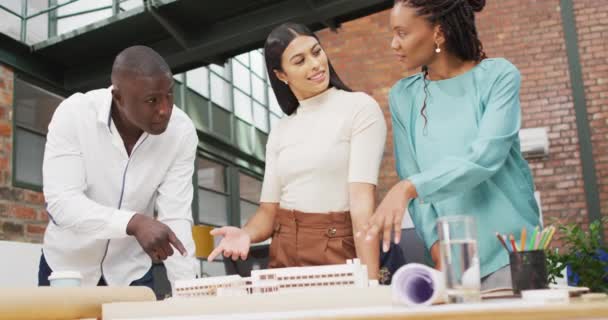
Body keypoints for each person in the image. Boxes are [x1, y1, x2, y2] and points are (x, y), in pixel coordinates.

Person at [361, 0, 541, 289]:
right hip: (454, 258)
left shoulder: (498, 77)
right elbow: (411, 175)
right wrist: (436, 246)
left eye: (402, 33)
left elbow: (485, 157)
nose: (394, 44)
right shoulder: (403, 97)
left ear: (439, 33)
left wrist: (409, 187)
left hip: (513, 250)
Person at [208, 23, 387, 279]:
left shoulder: (359, 108)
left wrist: (370, 280)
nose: (315, 64)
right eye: (300, 61)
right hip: (283, 253)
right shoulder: (281, 130)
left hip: (336, 249)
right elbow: (269, 212)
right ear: (281, 75)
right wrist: (246, 233)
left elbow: (362, 205)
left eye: (316, 52)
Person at [39, 45, 198, 290]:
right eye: (152, 100)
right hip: (68, 270)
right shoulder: (75, 114)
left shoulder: (181, 131)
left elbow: (175, 215)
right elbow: (63, 203)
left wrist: (189, 291)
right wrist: (133, 222)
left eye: (169, 95)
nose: (165, 109)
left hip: (130, 274)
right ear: (118, 98)